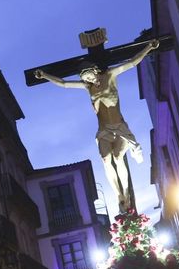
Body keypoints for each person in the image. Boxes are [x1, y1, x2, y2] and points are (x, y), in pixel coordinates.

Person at [35, 38, 159, 212]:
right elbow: (64, 84)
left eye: (88, 76)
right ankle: (119, 196)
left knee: (118, 158)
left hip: (120, 127)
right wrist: (45, 75)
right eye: (84, 78)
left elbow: (131, 62)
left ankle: (126, 193)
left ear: (93, 70)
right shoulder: (88, 88)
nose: (87, 80)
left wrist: (148, 48)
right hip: (103, 130)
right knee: (106, 160)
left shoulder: (110, 75)